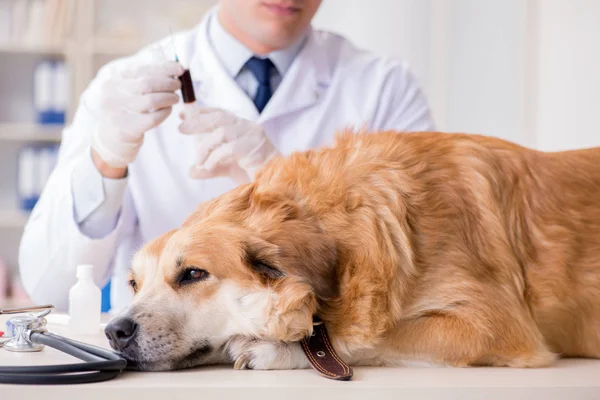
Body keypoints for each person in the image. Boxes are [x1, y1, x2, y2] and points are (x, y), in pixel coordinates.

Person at [19, 0, 435, 312]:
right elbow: (51, 288)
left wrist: (285, 183)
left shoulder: (385, 89)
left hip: (325, 366)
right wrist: (105, 162)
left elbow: (424, 273)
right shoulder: (121, 86)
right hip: (165, 373)